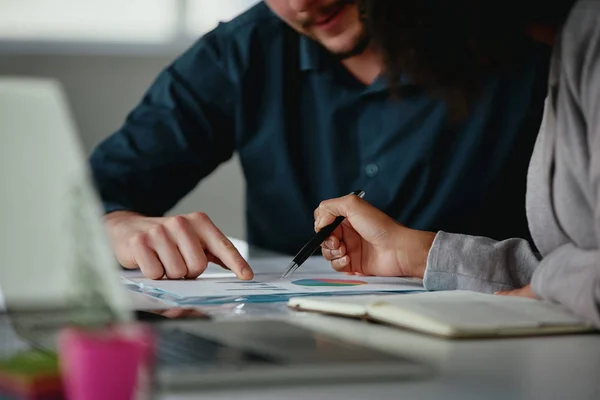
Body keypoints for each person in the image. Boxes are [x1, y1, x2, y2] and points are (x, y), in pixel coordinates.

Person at [91, 0, 550, 281]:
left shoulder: (532, 46)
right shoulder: (243, 52)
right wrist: (116, 226)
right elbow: (85, 194)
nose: (301, 4)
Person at [314, 0, 600, 327]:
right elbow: (558, 269)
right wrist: (420, 255)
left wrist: (551, 287)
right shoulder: (567, 45)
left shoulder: (589, 32)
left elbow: (558, 278)